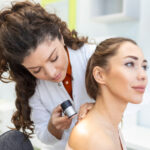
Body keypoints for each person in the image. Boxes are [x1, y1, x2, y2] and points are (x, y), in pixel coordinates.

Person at [0, 1, 95, 149]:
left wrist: (100, 108)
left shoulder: (92, 57)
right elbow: (44, 136)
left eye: (54, 58)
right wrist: (53, 127)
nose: (52, 73)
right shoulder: (33, 86)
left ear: (60, 37)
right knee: (10, 141)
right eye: (36, 70)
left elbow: (136, 97)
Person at [66, 37, 148, 150]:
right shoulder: (94, 138)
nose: (143, 75)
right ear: (100, 75)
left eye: (144, 66)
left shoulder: (110, 125)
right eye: (129, 64)